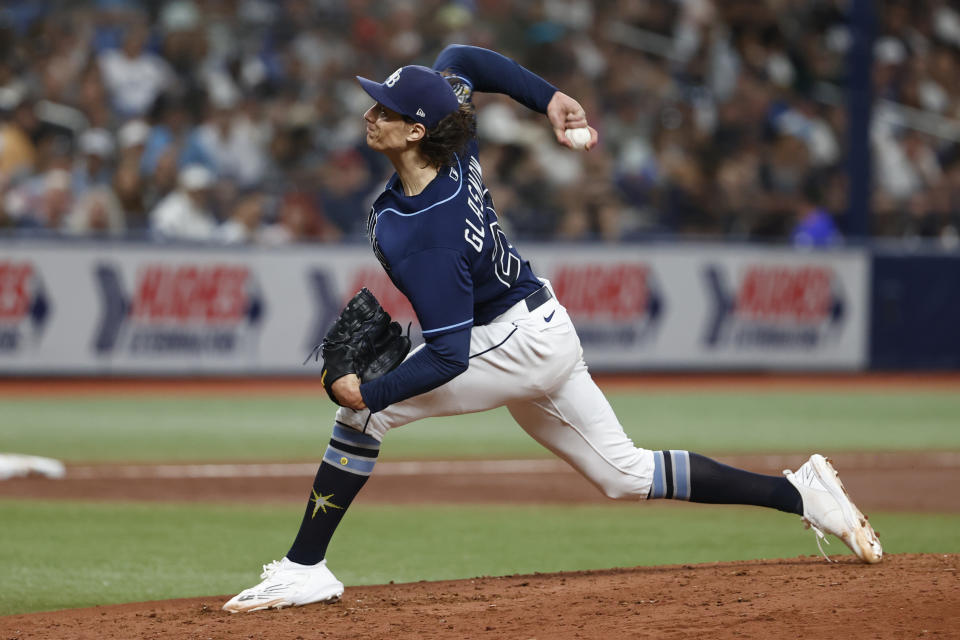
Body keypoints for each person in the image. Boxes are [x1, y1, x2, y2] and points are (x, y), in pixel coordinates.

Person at [223, 45, 882, 613]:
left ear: (417, 132)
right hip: (539, 324)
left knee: (365, 418)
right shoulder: (451, 135)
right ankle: (799, 493)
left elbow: (450, 355)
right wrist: (552, 98)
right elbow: (463, 61)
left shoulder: (424, 230)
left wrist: (371, 394)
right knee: (624, 475)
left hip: (509, 342)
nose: (371, 114)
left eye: (387, 112)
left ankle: (304, 568)